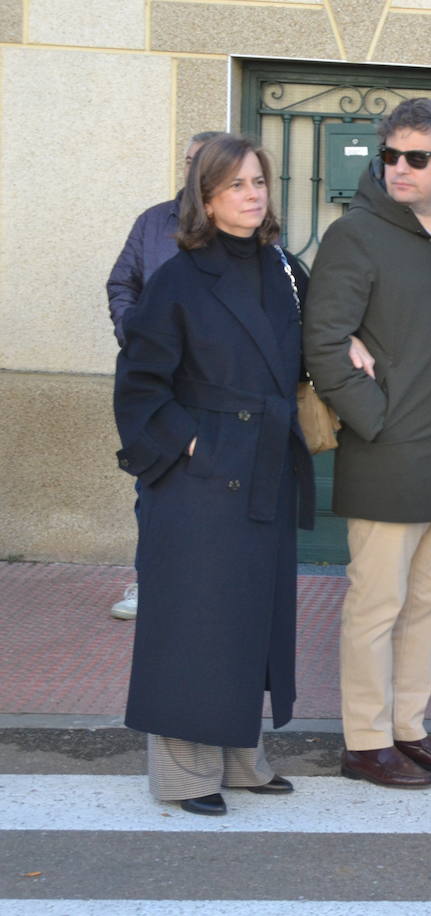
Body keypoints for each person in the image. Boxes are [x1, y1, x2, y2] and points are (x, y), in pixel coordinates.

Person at [113, 134, 314, 816]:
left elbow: (310, 346)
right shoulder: (176, 277)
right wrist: (196, 444)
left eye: (259, 181)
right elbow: (139, 386)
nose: (252, 194)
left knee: (248, 619)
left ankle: (241, 758)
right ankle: (182, 775)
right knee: (192, 621)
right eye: (234, 185)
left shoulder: (283, 268)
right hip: (201, 478)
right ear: (204, 197)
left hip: (263, 467)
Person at [303, 98, 431, 789]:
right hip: (390, 452)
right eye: (391, 155)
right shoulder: (355, 236)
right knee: (375, 604)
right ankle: (364, 741)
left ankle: (407, 729)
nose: (399, 168)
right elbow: (324, 342)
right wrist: (375, 419)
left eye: (417, 157)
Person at [106, 130, 226, 620]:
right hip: (156, 382)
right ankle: (149, 581)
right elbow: (121, 283)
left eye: (203, 162)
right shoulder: (154, 222)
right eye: (188, 160)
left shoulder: (239, 227)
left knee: (215, 486)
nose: (192, 169)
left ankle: (210, 585)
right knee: (153, 485)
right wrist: (134, 334)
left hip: (215, 383)